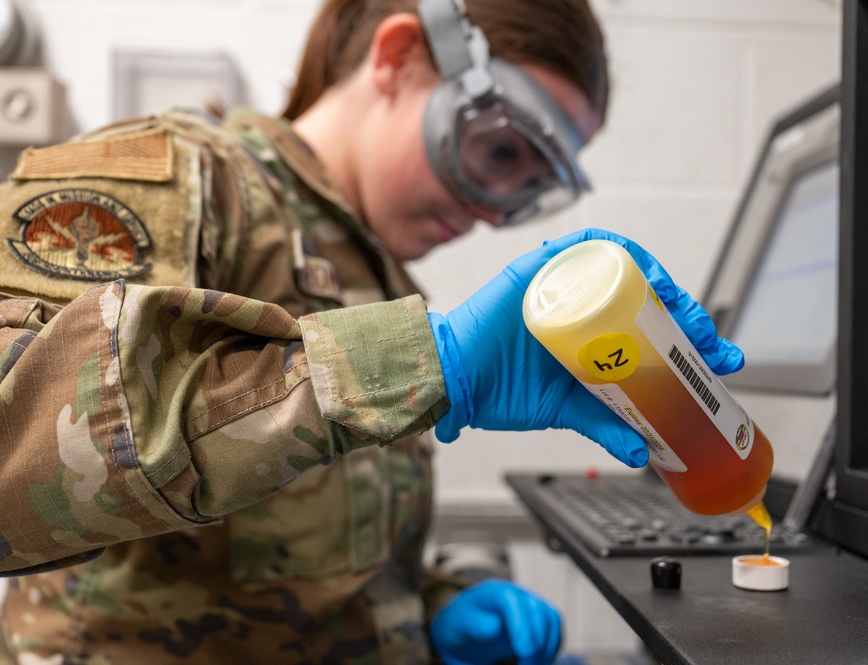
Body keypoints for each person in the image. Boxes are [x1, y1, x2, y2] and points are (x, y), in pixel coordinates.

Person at [0, 0, 743, 663]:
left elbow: (294, 552)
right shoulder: (189, 181)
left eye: (528, 190)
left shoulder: (380, 278)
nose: (493, 207)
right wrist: (418, 361)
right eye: (500, 151)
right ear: (397, 57)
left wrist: (427, 602)